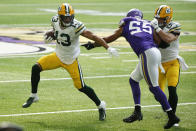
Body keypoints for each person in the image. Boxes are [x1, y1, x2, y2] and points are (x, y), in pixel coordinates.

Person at [82, 9, 180, 129]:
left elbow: (109, 38)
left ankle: (172, 116)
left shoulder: (126, 24)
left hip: (146, 53)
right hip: (153, 52)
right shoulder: (148, 24)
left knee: (154, 87)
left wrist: (92, 45)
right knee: (133, 80)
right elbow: (160, 42)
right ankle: (137, 111)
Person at [22, 3, 119, 121]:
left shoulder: (76, 26)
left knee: (81, 87)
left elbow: (93, 36)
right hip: (57, 56)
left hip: (71, 60)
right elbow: (55, 30)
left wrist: (108, 47)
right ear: (59, 17)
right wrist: (51, 34)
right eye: (65, 17)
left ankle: (101, 105)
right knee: (36, 67)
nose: (68, 19)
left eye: (69, 17)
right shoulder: (54, 20)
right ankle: (34, 96)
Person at [151, 5, 188, 126]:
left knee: (172, 90)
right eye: (157, 18)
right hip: (158, 65)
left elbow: (168, 39)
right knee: (158, 94)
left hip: (172, 63)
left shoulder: (174, 25)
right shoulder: (154, 26)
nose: (158, 20)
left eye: (161, 18)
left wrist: (157, 29)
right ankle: (168, 107)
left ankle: (172, 119)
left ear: (168, 18)